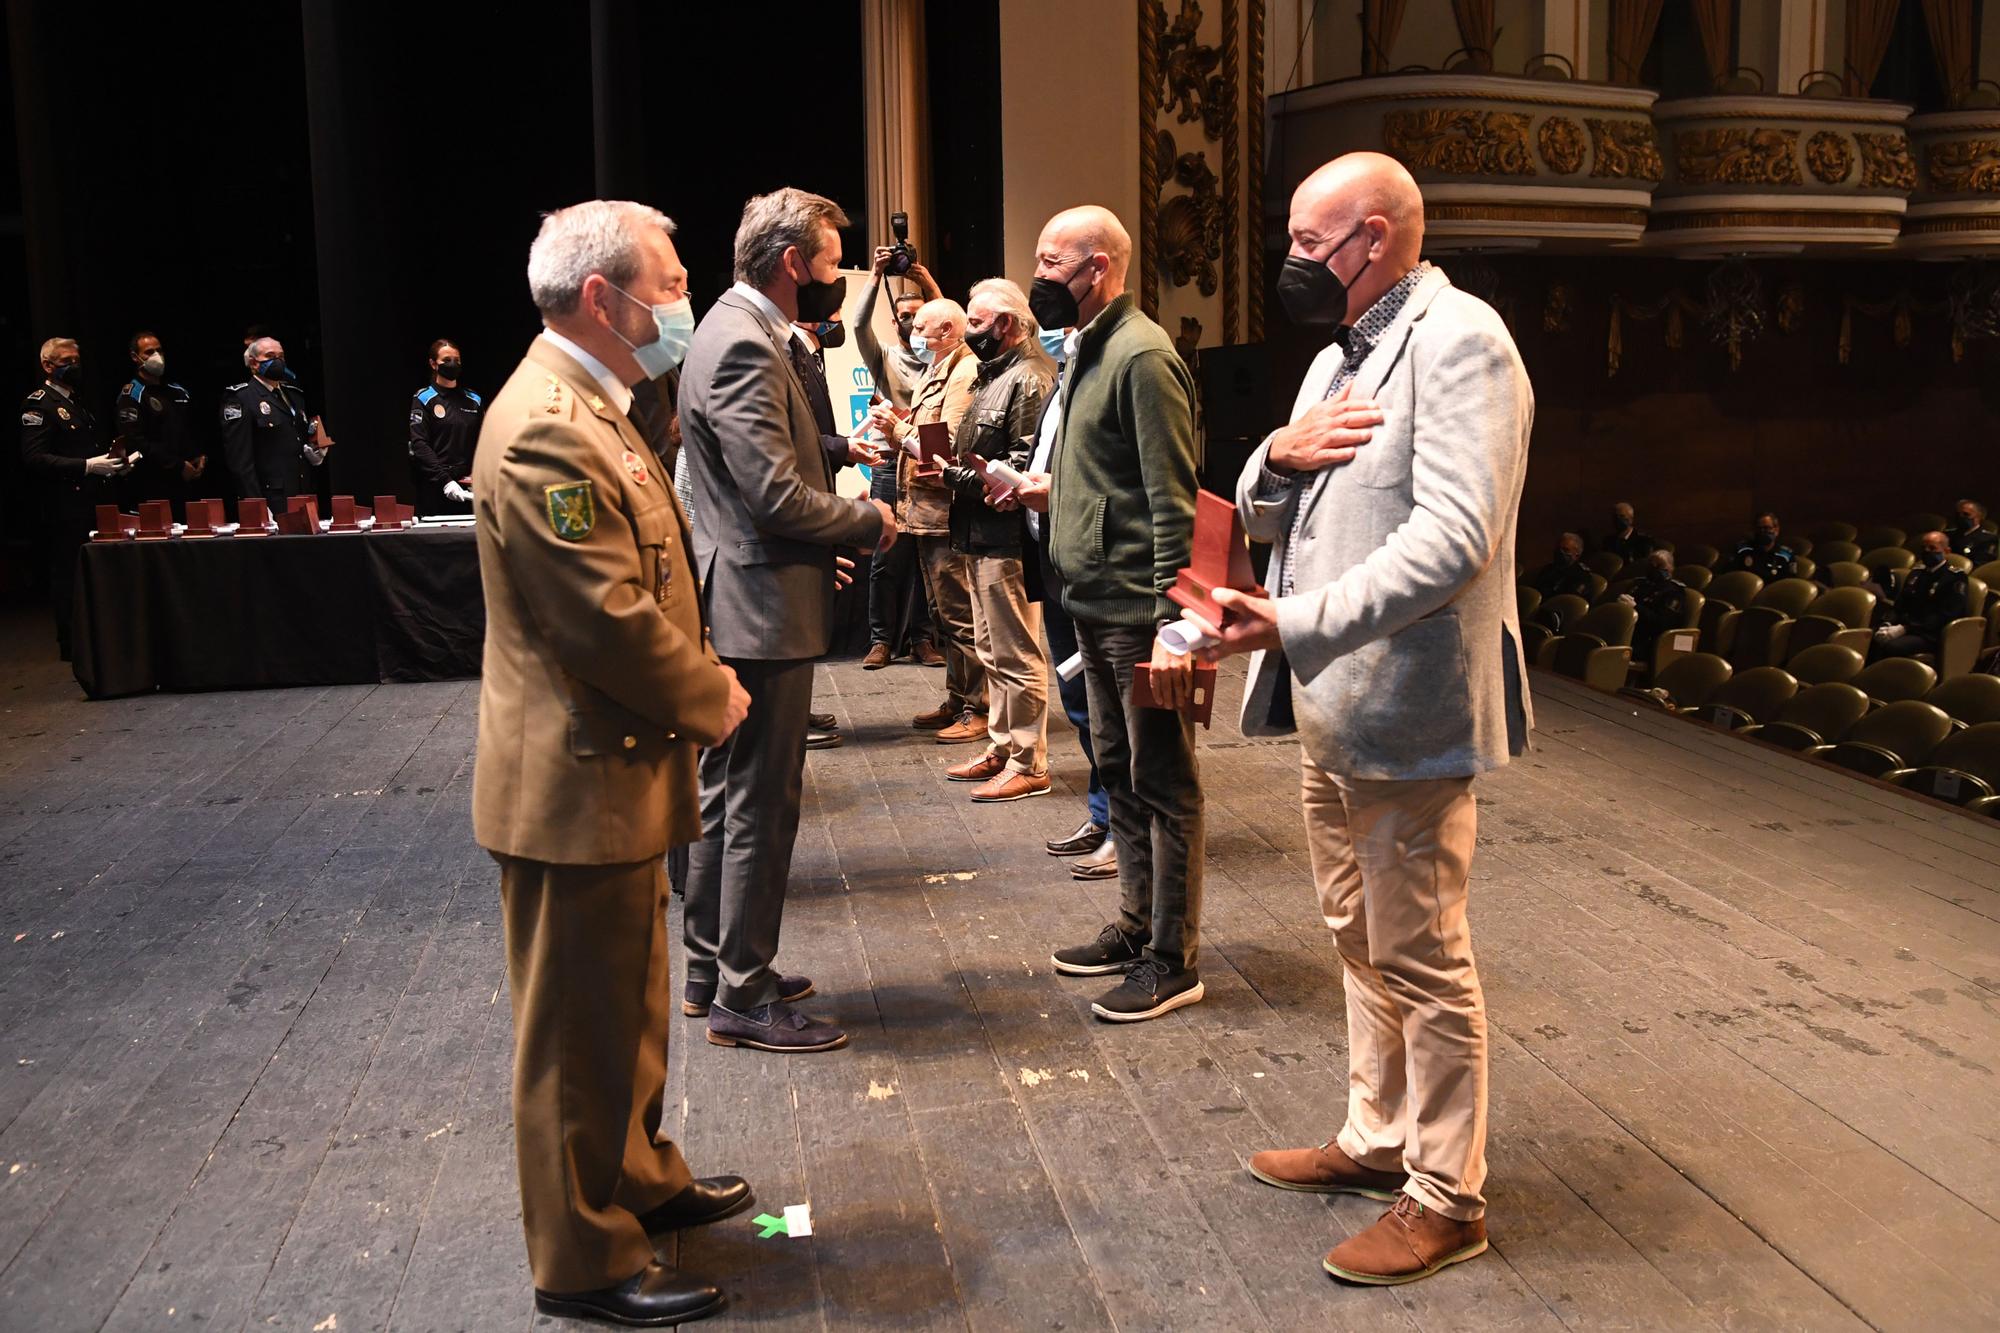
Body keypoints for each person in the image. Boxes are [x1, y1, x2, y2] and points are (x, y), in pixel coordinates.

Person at [1195, 152, 1530, 1287]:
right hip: (1332, 697)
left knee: (1422, 953)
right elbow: (1265, 503)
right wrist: (1267, 457)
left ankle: (1446, 1194)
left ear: (1373, 238)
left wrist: (1291, 618)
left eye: (1305, 241)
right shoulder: (1333, 355)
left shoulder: (1460, 339)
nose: (1290, 260)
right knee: (1354, 934)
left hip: (1403, 702)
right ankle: (1375, 1134)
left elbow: (1453, 540)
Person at [470, 199, 753, 1328]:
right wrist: (709, 691)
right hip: (573, 780)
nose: (680, 299)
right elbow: (601, 614)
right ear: (604, 298)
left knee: (628, 1011)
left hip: (614, 773)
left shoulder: (596, 402)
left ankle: (636, 1180)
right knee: (573, 1037)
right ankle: (581, 1259)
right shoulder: (547, 422)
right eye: (671, 281)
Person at [679, 187, 894, 1054]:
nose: (836, 277)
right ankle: (744, 990)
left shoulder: (740, 331)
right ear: (790, 264)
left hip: (752, 592)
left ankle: (711, 967)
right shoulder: (741, 341)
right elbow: (772, 495)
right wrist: (865, 522)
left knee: (728, 796)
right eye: (832, 262)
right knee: (760, 804)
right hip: (757, 604)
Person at [1024, 204, 1204, 1024]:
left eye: (1052, 262)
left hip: (1138, 608)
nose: (1041, 277)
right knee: (1117, 768)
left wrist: (1177, 622)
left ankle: (1173, 956)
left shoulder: (1141, 355)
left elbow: (1173, 500)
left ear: (1098, 267)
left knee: (1163, 779)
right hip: (1091, 599)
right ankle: (1135, 926)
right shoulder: (1087, 350)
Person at [938, 278, 1057, 801]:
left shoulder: (1028, 378)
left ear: (1005, 325)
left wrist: (950, 476)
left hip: (1007, 538)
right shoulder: (996, 374)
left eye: (978, 322)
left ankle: (1030, 761)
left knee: (1016, 653)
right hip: (978, 533)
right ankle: (1004, 747)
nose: (970, 331)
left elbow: (1025, 469)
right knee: (991, 649)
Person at [876, 297, 985, 742]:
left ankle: (979, 708)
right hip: (924, 512)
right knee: (943, 614)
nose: (911, 335)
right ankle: (958, 699)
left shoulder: (964, 372)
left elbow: (950, 450)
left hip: (944, 513)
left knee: (960, 616)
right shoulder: (938, 368)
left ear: (947, 332)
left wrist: (898, 432)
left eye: (920, 328)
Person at [788, 310, 876, 751]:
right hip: (797, 505)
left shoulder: (811, 358)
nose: (836, 320)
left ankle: (795, 708)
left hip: (816, 491)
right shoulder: (787, 357)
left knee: (806, 612)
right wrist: (843, 447)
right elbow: (795, 440)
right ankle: (788, 716)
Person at [856, 246, 942, 670]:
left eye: (920, 316)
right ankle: (881, 640)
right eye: (906, 316)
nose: (913, 323)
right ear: (895, 321)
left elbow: (951, 322)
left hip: (927, 458)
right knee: (886, 555)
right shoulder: (885, 357)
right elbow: (856, 323)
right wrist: (875, 275)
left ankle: (922, 639)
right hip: (891, 461)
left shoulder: (941, 357)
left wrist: (926, 283)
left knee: (926, 555)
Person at [21, 337, 128, 659]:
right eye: (66, 361)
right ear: (48, 366)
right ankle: (70, 643)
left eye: (76, 360)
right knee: (69, 572)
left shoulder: (75, 401)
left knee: (95, 572)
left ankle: (94, 636)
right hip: (65, 503)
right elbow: (34, 457)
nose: (73, 367)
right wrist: (86, 466)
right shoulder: (39, 404)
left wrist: (109, 465)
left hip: (92, 498)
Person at [221, 335, 332, 511]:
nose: (277, 361)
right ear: (254, 363)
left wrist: (314, 451)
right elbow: (240, 461)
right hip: (272, 498)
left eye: (281, 357)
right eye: (270, 356)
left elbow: (297, 438)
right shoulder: (242, 398)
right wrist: (256, 505)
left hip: (303, 492)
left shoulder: (294, 395)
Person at [112, 331, 202, 516]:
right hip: (152, 485)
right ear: (135, 357)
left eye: (159, 350)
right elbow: (136, 443)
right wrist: (177, 465)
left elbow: (189, 430)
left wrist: (197, 456)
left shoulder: (178, 392)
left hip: (186, 483)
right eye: (149, 352)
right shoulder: (132, 395)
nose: (156, 356)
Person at [407, 338, 482, 514]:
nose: (452, 364)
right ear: (433, 364)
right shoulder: (424, 398)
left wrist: (476, 475)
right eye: (446, 361)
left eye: (456, 360)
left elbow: (482, 441)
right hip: (437, 485)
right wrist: (445, 481)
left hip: (467, 484)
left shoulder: (474, 400)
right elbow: (419, 445)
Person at [1873, 531, 1969, 660]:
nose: (1927, 551)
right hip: (1906, 627)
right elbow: (1900, 604)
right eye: (1924, 548)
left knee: (1892, 646)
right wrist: (1886, 624)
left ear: (1947, 551)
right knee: (1871, 638)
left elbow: (1947, 614)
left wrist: (1906, 628)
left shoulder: (1955, 577)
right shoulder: (1916, 573)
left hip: (1930, 633)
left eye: (1932, 548)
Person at [1620, 548, 1688, 663]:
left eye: (1659, 566)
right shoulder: (1640, 585)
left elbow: (1663, 623)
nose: (1654, 569)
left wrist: (1635, 608)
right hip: (1627, 632)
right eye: (1651, 565)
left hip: (1649, 641)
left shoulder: (1674, 592)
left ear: (1670, 568)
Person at [1727, 512, 1796, 583]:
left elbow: (1790, 583)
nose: (1762, 532)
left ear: (1776, 530)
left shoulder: (1786, 555)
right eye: (1759, 528)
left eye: (1767, 528)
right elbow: (1729, 576)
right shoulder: (1742, 549)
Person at [1528, 533, 1592, 600]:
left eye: (1566, 550)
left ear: (1577, 555)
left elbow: (1569, 600)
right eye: (1558, 549)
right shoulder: (1549, 569)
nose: (1560, 552)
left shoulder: (1581, 575)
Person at [1949, 498, 1995, 565]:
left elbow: (1981, 563)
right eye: (1958, 514)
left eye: (1966, 514)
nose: (1961, 517)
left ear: (1979, 516)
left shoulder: (1988, 539)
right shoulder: (1949, 534)